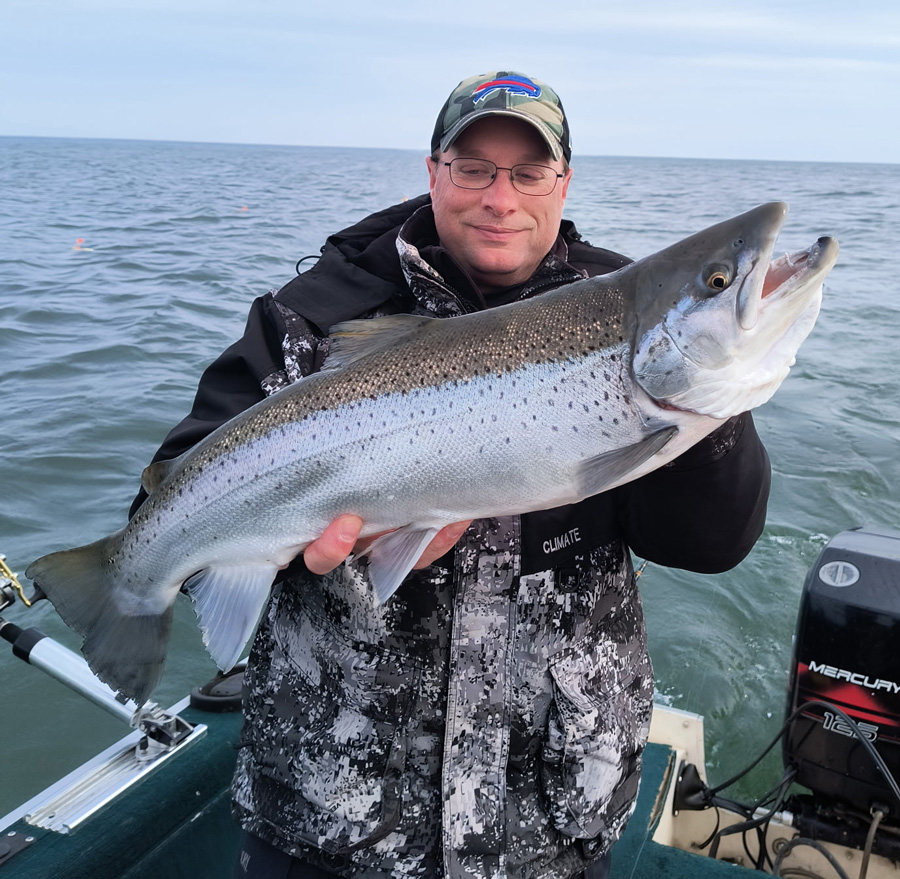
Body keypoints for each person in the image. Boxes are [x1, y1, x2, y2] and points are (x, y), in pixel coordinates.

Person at [133, 71, 771, 878]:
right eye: (474, 169)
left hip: (547, 822)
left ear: (563, 182)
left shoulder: (626, 307)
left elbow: (709, 543)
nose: (500, 199)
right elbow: (165, 498)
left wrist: (711, 406)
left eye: (528, 172)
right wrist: (295, 549)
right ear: (433, 172)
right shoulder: (311, 315)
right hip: (330, 817)